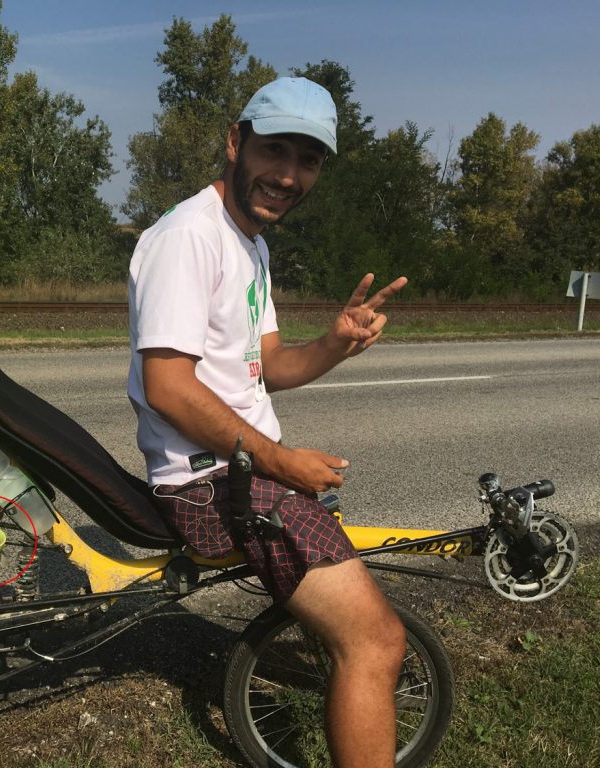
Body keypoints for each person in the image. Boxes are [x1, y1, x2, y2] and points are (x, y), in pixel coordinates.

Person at [127, 76, 408, 768]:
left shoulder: (249, 243)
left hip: (243, 470)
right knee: (375, 642)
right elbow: (167, 387)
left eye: (307, 160)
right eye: (274, 149)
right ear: (235, 141)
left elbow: (267, 365)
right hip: (212, 483)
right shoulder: (188, 236)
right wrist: (282, 464)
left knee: (365, 636)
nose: (287, 174)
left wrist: (335, 342)